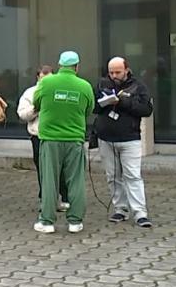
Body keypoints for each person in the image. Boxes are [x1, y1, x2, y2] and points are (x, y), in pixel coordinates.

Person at [33, 51, 94, 234]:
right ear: (77, 67)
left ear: (59, 65)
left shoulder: (46, 82)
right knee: (76, 180)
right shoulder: (85, 86)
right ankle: (75, 222)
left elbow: (36, 103)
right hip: (74, 139)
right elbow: (88, 110)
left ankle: (47, 221)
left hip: (50, 139)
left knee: (49, 180)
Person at [95, 57, 154, 228]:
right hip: (106, 138)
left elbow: (146, 109)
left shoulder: (138, 86)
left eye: (118, 72)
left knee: (132, 176)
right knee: (113, 176)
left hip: (130, 138)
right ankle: (120, 209)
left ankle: (140, 213)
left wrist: (122, 102)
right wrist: (103, 103)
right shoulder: (102, 84)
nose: (114, 75)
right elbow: (93, 107)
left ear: (126, 70)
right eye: (111, 72)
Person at [18, 65, 67, 206]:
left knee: (61, 168)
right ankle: (45, 198)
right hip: (38, 136)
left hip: (58, 135)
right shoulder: (30, 93)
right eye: (43, 79)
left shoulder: (60, 91)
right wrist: (36, 108)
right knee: (42, 169)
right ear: (38, 78)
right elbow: (22, 114)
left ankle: (65, 197)